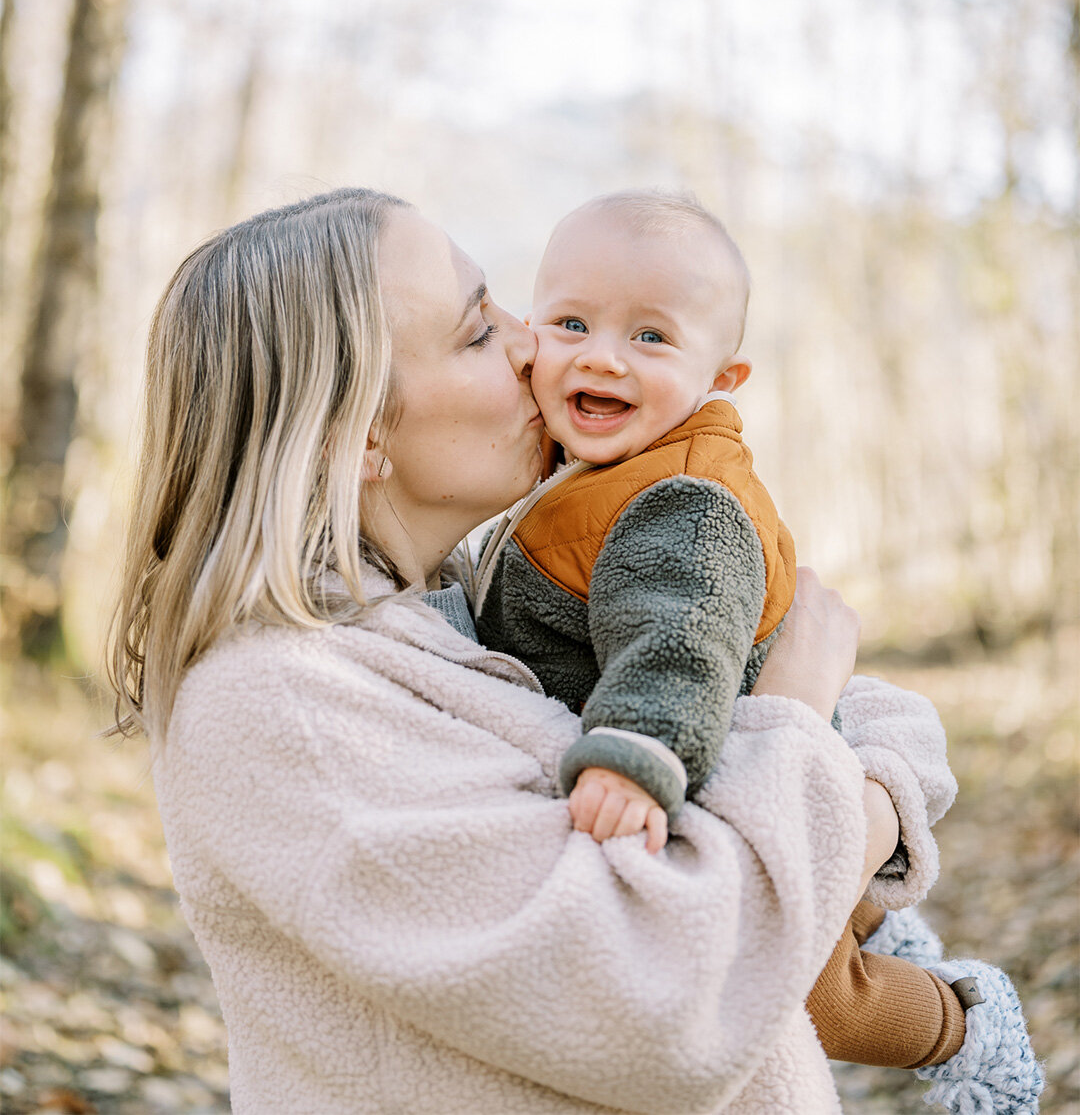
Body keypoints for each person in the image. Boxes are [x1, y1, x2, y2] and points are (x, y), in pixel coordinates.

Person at [106, 188, 1017, 1114]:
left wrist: (833, 725)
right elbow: (668, 999)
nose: (535, 345)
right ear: (357, 435)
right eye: (476, 333)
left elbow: (811, 697)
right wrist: (817, 733)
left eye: (502, 306)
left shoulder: (448, 613)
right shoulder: (285, 705)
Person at [474, 187, 1043, 1106]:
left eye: (651, 338)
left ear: (721, 379)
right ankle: (872, 920)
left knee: (803, 1004)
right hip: (739, 788)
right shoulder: (595, 463)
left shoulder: (682, 501)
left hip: (735, 786)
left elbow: (680, 645)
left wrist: (638, 754)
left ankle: (966, 1020)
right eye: (572, 321)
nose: (604, 356)